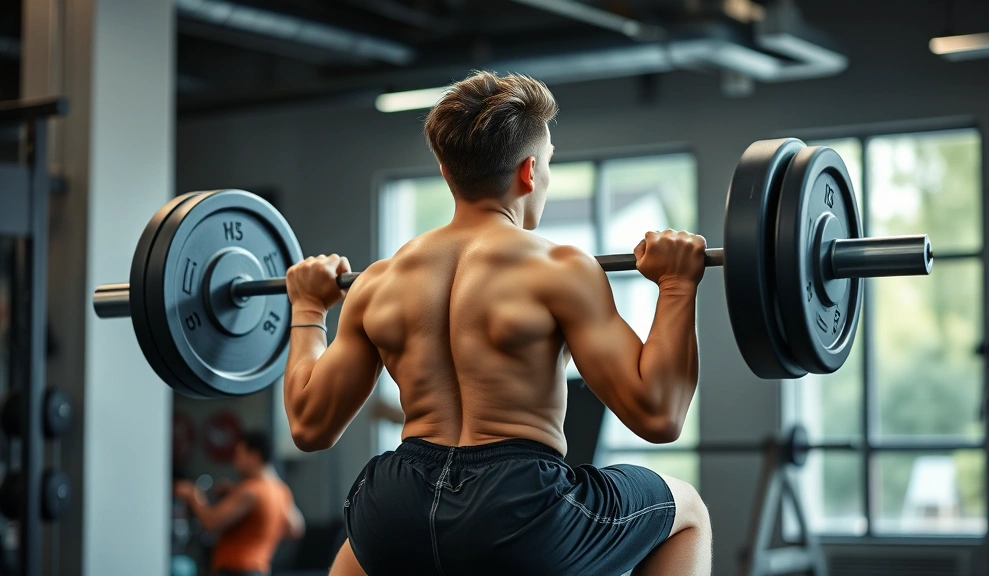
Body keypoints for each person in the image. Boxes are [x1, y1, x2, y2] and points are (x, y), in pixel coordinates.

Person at [283, 71, 712, 576]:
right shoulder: (559, 268)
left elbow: (309, 426)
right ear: (529, 171)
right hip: (516, 511)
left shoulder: (378, 281)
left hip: (396, 499)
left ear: (446, 171)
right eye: (549, 162)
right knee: (687, 511)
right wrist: (677, 285)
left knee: (362, 545)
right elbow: (658, 415)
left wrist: (308, 308)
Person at [174, 431, 305, 576]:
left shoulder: (250, 491)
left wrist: (193, 495)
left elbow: (211, 522)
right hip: (259, 570)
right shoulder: (280, 490)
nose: (235, 461)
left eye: (239, 454)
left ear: (254, 456)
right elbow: (295, 529)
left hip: (237, 570)